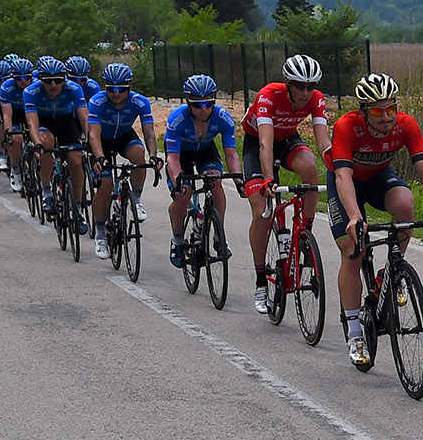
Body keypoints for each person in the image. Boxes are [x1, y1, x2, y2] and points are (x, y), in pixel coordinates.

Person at [327, 73, 423, 366]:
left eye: (390, 108)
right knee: (352, 251)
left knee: (405, 204)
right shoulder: (347, 126)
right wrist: (355, 217)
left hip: (378, 178)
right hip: (346, 184)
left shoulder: (406, 124)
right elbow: (343, 175)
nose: (385, 117)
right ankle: (355, 330)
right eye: (376, 111)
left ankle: (392, 270)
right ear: (363, 112)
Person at [242, 53, 332, 314]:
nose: (306, 93)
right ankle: (261, 279)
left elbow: (324, 144)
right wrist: (268, 179)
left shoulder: (316, 99)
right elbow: (265, 143)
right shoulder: (269, 95)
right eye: (300, 86)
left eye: (310, 86)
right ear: (287, 83)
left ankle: (306, 230)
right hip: (257, 143)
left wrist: (340, 172)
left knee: (311, 169)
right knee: (262, 212)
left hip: (288, 139)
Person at [86, 63, 157, 261]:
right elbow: (93, 134)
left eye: (121, 89)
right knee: (105, 185)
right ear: (105, 87)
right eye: (111, 89)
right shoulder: (97, 102)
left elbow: (149, 133)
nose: (116, 94)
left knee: (138, 154)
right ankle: (100, 232)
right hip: (101, 141)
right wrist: (99, 157)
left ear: (130, 87)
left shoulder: (140, 102)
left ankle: (136, 198)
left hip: (124, 136)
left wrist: (153, 156)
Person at [164, 75, 237, 267]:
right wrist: (178, 181)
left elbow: (231, 155)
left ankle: (218, 235)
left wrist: (239, 181)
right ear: (188, 103)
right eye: (197, 105)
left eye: (208, 103)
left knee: (216, 181)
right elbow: (172, 158)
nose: (203, 109)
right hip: (181, 154)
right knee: (183, 194)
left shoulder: (223, 118)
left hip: (206, 151)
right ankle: (177, 240)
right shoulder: (177, 119)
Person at [23, 57, 90, 228]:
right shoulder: (31, 92)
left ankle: (78, 207)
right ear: (41, 80)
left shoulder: (74, 88)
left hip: (65, 121)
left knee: (76, 161)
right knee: (46, 143)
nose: (53, 85)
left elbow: (84, 117)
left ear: (64, 80)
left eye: (58, 80)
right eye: (48, 81)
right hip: (44, 121)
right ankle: (47, 193)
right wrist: (37, 143)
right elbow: (32, 122)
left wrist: (89, 138)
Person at [0, 58, 34, 190]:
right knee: (16, 139)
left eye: (27, 77)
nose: (23, 81)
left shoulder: (37, 85)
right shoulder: (6, 87)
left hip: (33, 112)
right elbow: (7, 114)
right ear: (13, 78)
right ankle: (16, 170)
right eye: (19, 78)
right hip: (15, 113)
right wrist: (9, 133)